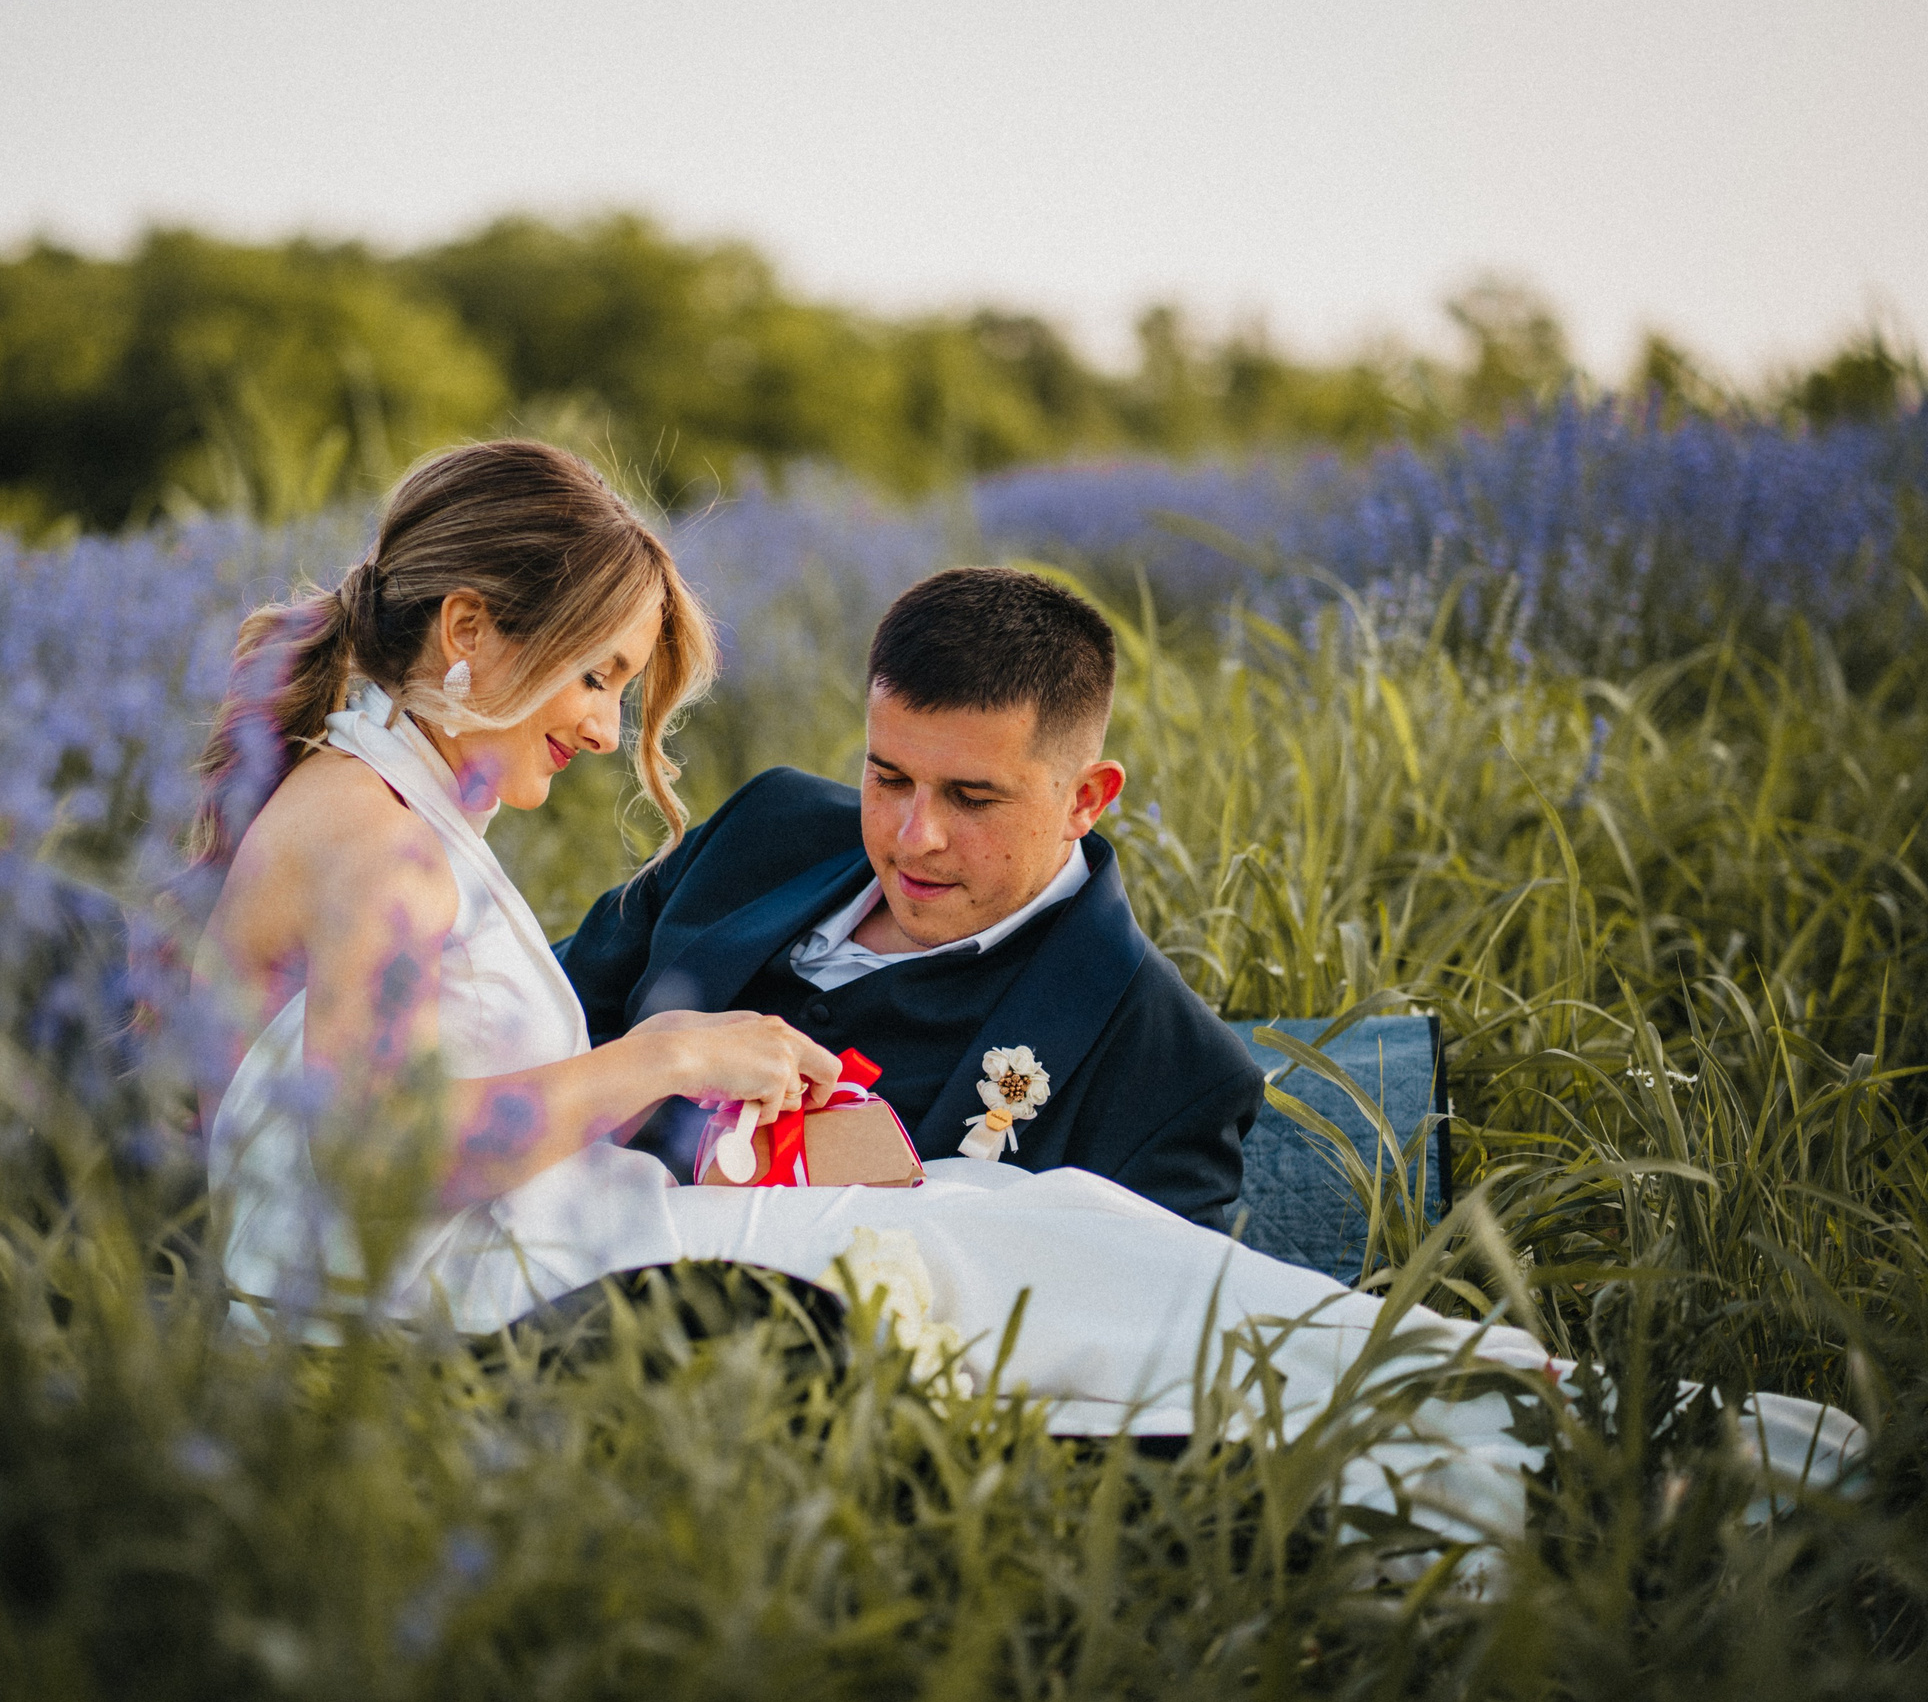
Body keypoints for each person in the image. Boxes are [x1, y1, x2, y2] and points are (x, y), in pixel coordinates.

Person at [191, 438, 1860, 1552]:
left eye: (973, 799)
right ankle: (1577, 1428)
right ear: (473, 628)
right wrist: (673, 1063)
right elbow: (386, 1148)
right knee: (1010, 1230)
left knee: (1041, 1218)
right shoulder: (382, 842)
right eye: (604, 676)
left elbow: (303, 1111)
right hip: (503, 1297)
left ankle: (1571, 1409)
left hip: (532, 1252)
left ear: (1088, 794)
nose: (610, 727)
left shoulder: (371, 811)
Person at [554, 565, 1259, 1228]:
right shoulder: (764, 828)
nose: (916, 837)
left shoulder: (1172, 1071)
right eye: (888, 778)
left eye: (972, 798)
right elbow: (523, 1013)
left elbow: (1147, 1327)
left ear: (1085, 799)